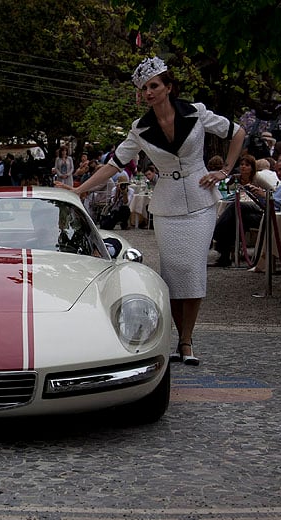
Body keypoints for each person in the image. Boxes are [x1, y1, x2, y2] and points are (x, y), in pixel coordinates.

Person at [58, 56, 245, 365]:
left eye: (154, 85)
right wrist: (79, 190)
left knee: (194, 269)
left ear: (168, 87)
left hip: (200, 202)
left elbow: (237, 133)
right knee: (172, 273)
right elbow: (113, 165)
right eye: (144, 88)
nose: (148, 92)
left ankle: (186, 341)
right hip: (167, 206)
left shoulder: (197, 114)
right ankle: (178, 340)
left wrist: (225, 169)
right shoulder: (140, 129)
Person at [211, 155, 261, 267]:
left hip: (255, 206)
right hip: (240, 208)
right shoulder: (236, 178)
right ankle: (224, 256)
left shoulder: (257, 179)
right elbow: (226, 190)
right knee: (232, 220)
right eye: (242, 165)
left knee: (234, 207)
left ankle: (216, 230)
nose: (243, 167)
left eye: (247, 165)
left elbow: (268, 191)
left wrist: (259, 192)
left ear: (252, 168)